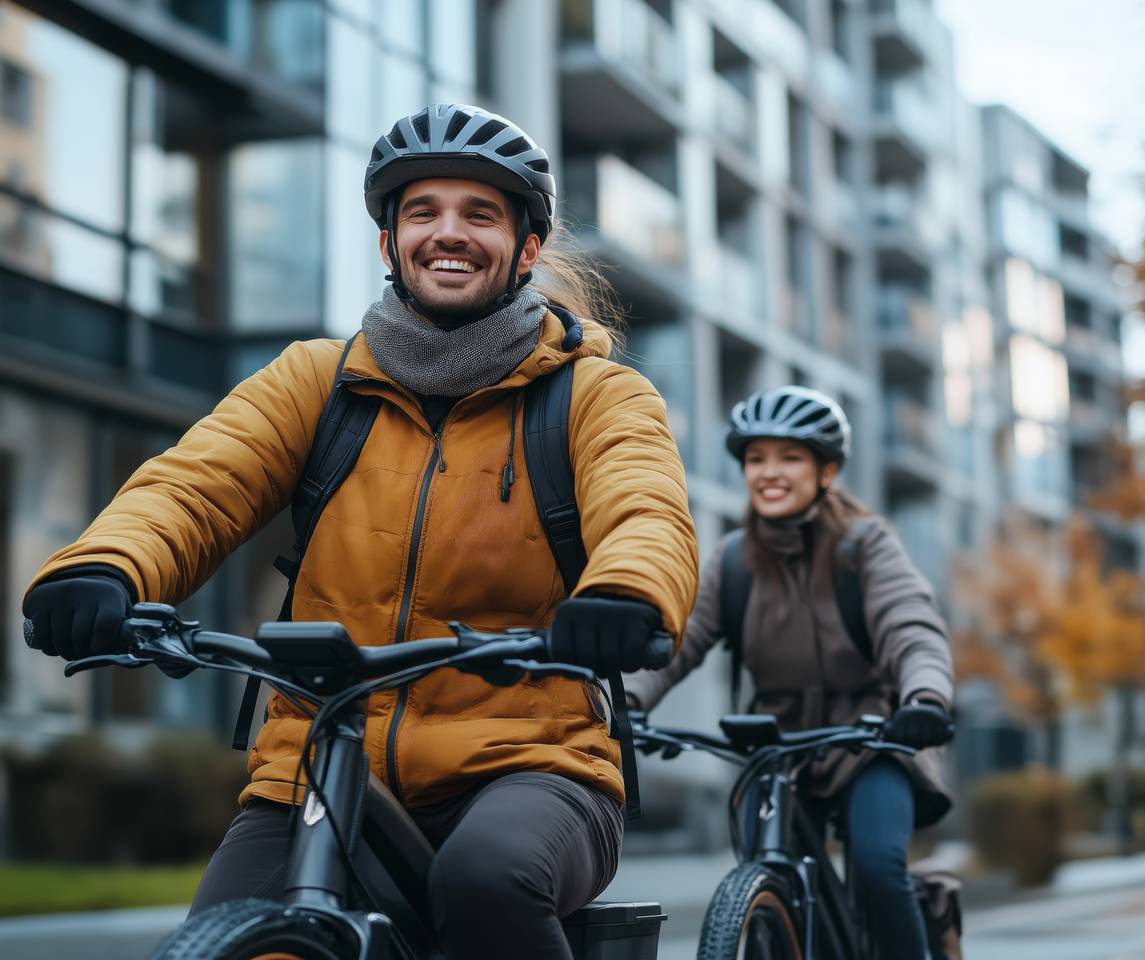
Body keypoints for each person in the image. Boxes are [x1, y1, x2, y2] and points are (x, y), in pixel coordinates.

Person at [22, 103, 699, 960]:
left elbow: (645, 510)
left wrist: (623, 594)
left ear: (526, 249)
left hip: (534, 761)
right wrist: (106, 568)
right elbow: (195, 485)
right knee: (226, 936)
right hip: (319, 753)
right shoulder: (317, 380)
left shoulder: (596, 396)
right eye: (422, 212)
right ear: (389, 242)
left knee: (484, 884)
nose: (447, 233)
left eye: (480, 214)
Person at [623, 385, 954, 960]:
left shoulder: (865, 544)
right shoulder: (731, 561)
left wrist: (925, 698)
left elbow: (911, 624)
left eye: (790, 458)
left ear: (826, 472)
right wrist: (625, 700)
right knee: (763, 870)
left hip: (871, 738)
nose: (769, 473)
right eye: (756, 459)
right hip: (777, 748)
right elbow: (680, 641)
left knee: (877, 869)